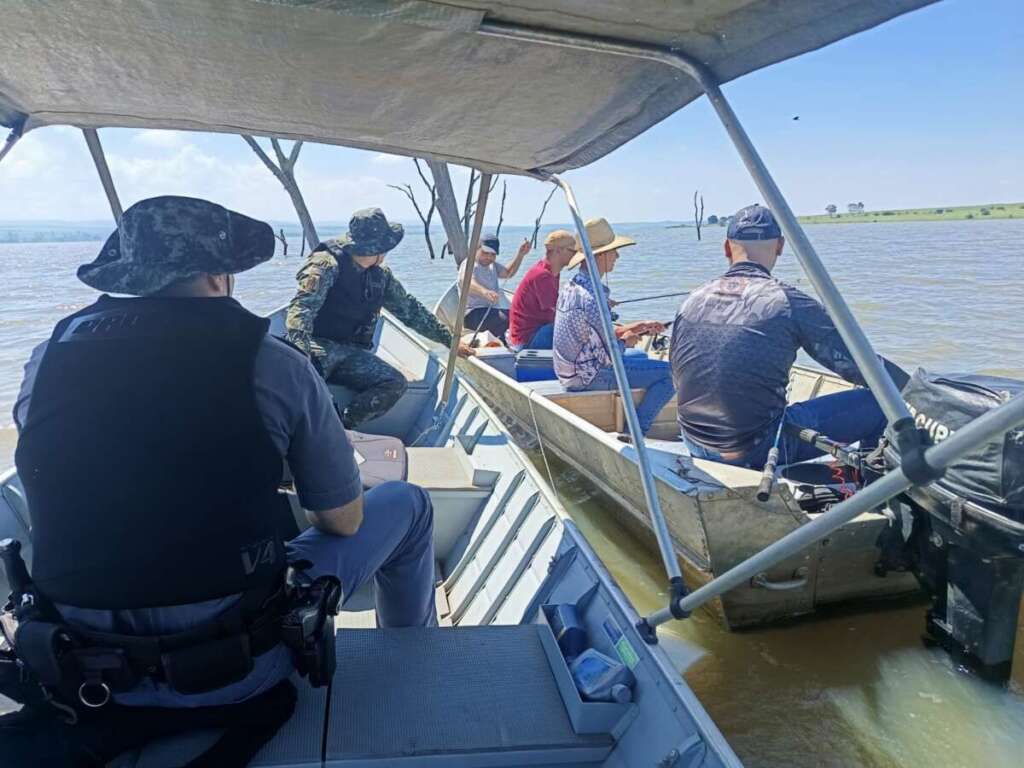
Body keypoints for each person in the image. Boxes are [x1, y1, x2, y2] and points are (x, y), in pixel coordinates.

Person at [6, 196, 437, 764]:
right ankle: (417, 661)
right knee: (407, 503)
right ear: (217, 273)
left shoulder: (46, 360)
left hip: (81, 667)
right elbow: (343, 519)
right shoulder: (273, 363)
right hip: (233, 670)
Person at [670, 204, 908, 468]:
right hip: (757, 449)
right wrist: (915, 389)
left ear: (727, 247)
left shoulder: (691, 300)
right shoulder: (788, 302)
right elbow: (862, 368)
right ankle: (872, 488)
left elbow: (679, 375)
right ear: (781, 246)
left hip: (694, 442)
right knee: (881, 402)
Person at [286, 207, 471, 429]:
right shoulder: (325, 265)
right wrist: (301, 356)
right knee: (308, 385)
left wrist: (449, 340)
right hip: (316, 347)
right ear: (378, 249)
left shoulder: (381, 276)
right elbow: (300, 311)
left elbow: (410, 310)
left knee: (394, 383)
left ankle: (343, 426)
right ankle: (312, 430)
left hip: (351, 352)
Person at [552, 218, 674, 434]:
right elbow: (610, 357)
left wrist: (639, 326)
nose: (617, 256)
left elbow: (596, 336)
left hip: (570, 373)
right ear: (600, 255)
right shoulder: (592, 300)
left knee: (640, 357)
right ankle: (636, 431)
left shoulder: (571, 288)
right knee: (673, 374)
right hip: (589, 377)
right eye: (614, 251)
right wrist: (626, 341)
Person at [507, 229, 576, 351]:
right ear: (558, 251)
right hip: (526, 341)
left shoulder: (551, 272)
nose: (576, 255)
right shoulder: (543, 276)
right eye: (573, 251)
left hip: (532, 332)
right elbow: (557, 314)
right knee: (570, 327)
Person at [459, 232, 531, 340]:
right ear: (477, 250)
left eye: (493, 254)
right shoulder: (469, 263)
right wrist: (484, 292)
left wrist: (520, 255)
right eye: (485, 252)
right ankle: (501, 341)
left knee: (520, 315)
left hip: (491, 311)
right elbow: (467, 282)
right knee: (508, 318)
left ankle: (503, 341)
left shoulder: (492, 265)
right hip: (472, 314)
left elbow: (508, 273)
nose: (489, 257)